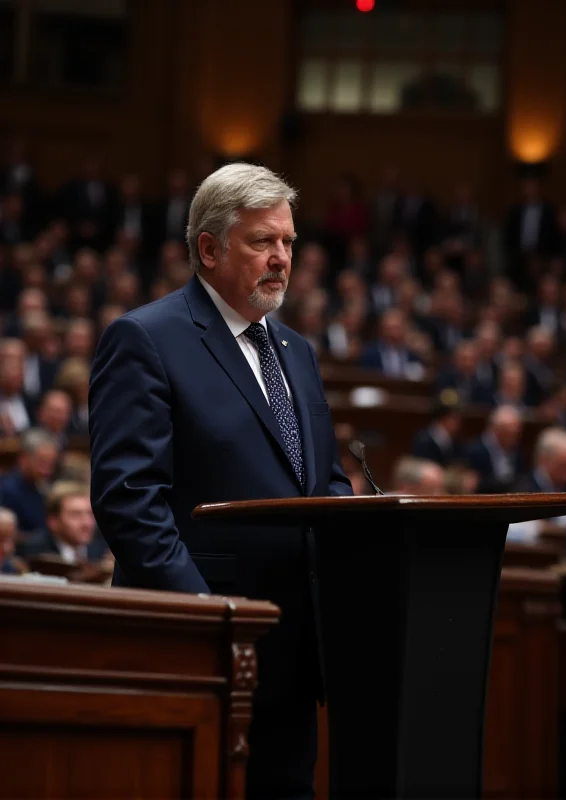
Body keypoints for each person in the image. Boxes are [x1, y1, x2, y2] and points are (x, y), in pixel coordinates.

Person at [89, 162, 353, 800]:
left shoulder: (297, 351)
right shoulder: (146, 339)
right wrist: (212, 618)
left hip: (295, 649)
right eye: (263, 242)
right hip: (203, 646)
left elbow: (326, 486)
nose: (281, 258)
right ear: (208, 248)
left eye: (288, 242)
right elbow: (130, 503)